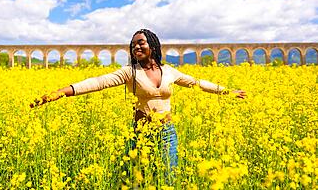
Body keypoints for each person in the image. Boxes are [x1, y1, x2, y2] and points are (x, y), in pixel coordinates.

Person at [30, 29, 246, 183]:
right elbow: (98, 82)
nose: (136, 46)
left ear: (152, 45)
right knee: (138, 180)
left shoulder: (169, 71)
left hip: (167, 133)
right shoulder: (129, 72)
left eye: (141, 42)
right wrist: (60, 92)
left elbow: (197, 83)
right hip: (141, 134)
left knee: (168, 178)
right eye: (133, 44)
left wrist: (227, 91)